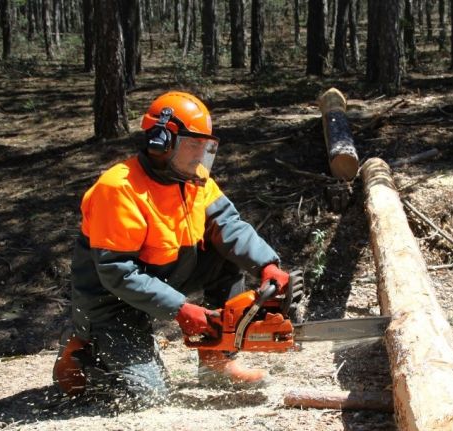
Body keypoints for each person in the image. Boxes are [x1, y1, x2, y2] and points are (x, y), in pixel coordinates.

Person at [52, 91, 294, 403]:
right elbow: (117, 272)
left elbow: (228, 224)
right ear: (161, 142)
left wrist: (266, 264)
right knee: (149, 395)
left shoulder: (194, 178)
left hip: (165, 274)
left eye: (206, 146)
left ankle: (217, 360)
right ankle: (83, 345)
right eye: (193, 144)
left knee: (224, 255)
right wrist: (180, 308)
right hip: (111, 301)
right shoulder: (118, 189)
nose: (200, 154)